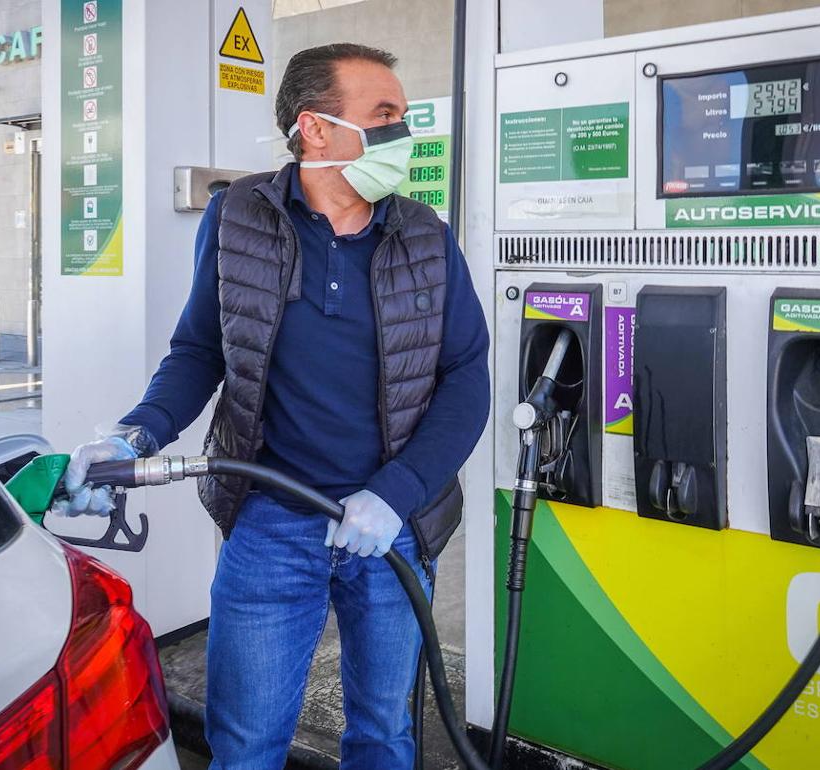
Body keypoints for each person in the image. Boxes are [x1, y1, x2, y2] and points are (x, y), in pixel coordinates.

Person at [55, 43, 490, 770]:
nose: (401, 134)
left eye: (404, 117)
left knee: (383, 734)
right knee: (247, 743)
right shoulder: (237, 218)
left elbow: (466, 376)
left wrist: (395, 494)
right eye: (384, 116)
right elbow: (200, 351)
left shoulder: (425, 235)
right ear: (315, 127)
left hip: (395, 532)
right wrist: (136, 436)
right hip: (271, 526)